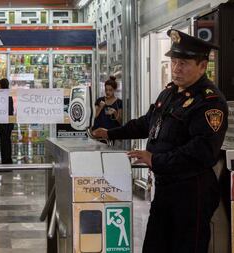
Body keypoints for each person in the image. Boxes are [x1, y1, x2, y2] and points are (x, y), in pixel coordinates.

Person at [93, 29, 228, 253]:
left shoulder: (209, 102)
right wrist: (110, 133)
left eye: (184, 63)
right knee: (155, 245)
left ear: (202, 66)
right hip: (165, 188)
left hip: (191, 192)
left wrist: (155, 159)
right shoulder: (169, 93)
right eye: (174, 62)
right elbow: (147, 123)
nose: (176, 68)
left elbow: (201, 151)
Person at [0, 78, 14, 164]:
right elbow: (11, 110)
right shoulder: (9, 94)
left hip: (2, 123)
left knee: (4, 143)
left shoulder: (0, 95)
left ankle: (5, 162)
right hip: (8, 123)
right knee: (7, 142)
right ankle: (8, 161)